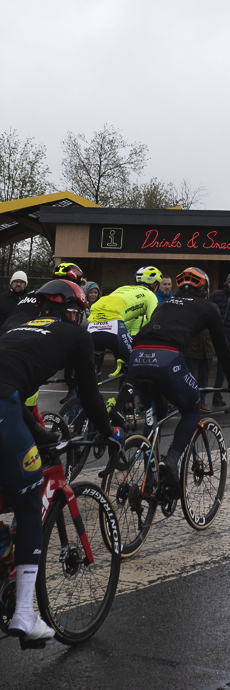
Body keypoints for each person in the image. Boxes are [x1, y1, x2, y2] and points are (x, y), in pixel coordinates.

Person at [0, 276, 123, 644]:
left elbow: (14, 392)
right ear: (74, 312)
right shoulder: (74, 334)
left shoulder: (15, 328)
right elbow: (87, 392)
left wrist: (40, 435)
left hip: (9, 405)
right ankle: (25, 613)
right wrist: (107, 432)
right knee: (28, 497)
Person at [129, 266, 230, 484]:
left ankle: (149, 477)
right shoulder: (208, 307)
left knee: (156, 412)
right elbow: (223, 351)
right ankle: (171, 460)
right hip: (167, 357)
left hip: (137, 355)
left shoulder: (163, 304)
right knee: (191, 407)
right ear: (204, 290)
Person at [210, 273, 230, 406]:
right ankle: (199, 396)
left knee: (222, 368)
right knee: (205, 367)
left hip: (227, 335)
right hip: (212, 334)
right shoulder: (216, 295)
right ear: (227, 282)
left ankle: (216, 395)